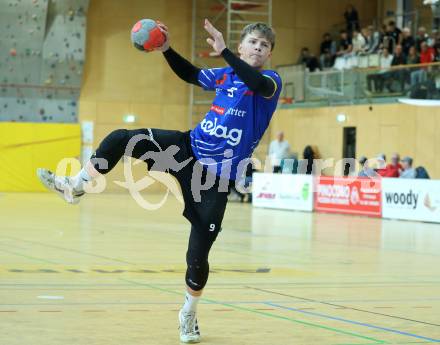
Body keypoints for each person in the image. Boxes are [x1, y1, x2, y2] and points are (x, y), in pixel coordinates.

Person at [36, 19, 282, 344]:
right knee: (121, 138)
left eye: (264, 46)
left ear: (268, 55)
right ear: (242, 46)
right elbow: (191, 74)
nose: (258, 48)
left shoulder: (271, 81)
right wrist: (167, 49)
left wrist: (223, 52)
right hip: (187, 148)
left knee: (197, 256)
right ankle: (76, 185)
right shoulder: (227, 74)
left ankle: (189, 313)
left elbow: (257, 83)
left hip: (215, 178)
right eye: (253, 42)